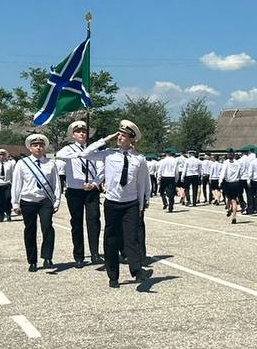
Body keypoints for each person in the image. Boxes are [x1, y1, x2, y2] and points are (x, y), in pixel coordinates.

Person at [69, 120, 152, 287]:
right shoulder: (108, 154)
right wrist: (106, 139)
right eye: (119, 134)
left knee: (132, 238)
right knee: (111, 240)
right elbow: (84, 154)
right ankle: (113, 275)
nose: (120, 137)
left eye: (123, 135)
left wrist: (143, 203)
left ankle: (136, 270)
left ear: (132, 139)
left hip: (131, 203)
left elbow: (143, 182)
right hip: (113, 203)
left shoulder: (139, 159)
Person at [54, 121, 104, 268]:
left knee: (94, 221)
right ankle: (79, 256)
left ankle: (95, 253)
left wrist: (94, 183)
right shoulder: (68, 149)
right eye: (78, 131)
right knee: (76, 223)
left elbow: (101, 168)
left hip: (91, 189)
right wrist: (81, 154)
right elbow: (60, 155)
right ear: (73, 135)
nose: (82, 133)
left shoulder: (94, 150)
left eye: (84, 131)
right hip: (75, 190)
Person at [11, 134, 62, 272]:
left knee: (47, 226)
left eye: (41, 145)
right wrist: (15, 203)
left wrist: (57, 201)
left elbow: (56, 183)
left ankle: (47, 257)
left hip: (45, 200)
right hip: (28, 200)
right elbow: (16, 184)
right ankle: (32, 260)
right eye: (35, 145)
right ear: (30, 148)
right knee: (30, 230)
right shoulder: (22, 164)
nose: (38, 148)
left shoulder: (50, 164)